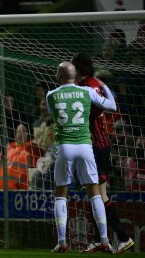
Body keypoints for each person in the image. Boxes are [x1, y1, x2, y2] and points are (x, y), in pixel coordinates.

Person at [46, 61, 117, 253]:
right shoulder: (87, 92)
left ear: (59, 76)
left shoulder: (51, 95)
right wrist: (104, 87)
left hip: (65, 147)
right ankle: (104, 240)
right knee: (94, 193)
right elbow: (112, 106)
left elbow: (54, 114)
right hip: (85, 147)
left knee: (61, 194)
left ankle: (62, 241)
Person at [71, 52, 134, 254]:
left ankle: (123, 237)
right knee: (92, 194)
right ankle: (98, 240)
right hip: (93, 145)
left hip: (96, 145)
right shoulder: (91, 84)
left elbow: (92, 111)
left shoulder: (89, 87)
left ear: (79, 69)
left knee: (99, 194)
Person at [0, 123, 38, 190]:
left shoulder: (33, 151)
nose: (21, 134)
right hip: (1, 191)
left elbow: (34, 174)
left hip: (20, 194)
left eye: (24, 131)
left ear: (29, 134)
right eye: (18, 131)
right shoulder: (6, 149)